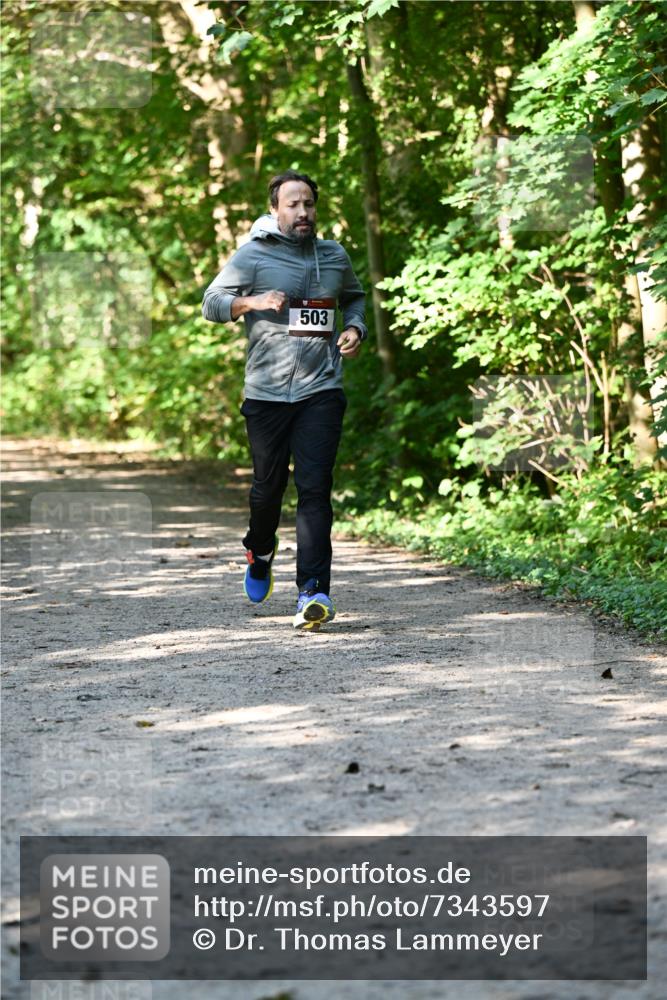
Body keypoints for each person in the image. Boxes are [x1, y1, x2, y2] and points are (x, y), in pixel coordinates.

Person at [202, 170, 367, 630]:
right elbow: (211, 303)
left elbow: (354, 298)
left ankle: (313, 592)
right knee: (267, 489)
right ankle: (260, 550)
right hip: (267, 393)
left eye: (309, 203)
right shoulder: (253, 255)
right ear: (275, 210)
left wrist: (355, 329)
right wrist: (251, 303)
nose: (302, 212)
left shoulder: (333, 255)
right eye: (293, 204)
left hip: (321, 389)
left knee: (314, 489)